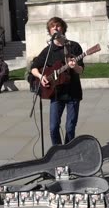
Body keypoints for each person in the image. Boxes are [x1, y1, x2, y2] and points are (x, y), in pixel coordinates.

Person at [31, 17, 84, 146]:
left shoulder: (74, 46)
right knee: (53, 127)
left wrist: (74, 66)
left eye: (58, 26)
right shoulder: (48, 50)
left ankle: (69, 152)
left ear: (63, 28)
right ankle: (58, 154)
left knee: (70, 128)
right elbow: (34, 67)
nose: (55, 28)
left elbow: (81, 70)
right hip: (56, 93)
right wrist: (40, 76)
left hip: (73, 92)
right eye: (52, 26)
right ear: (50, 31)